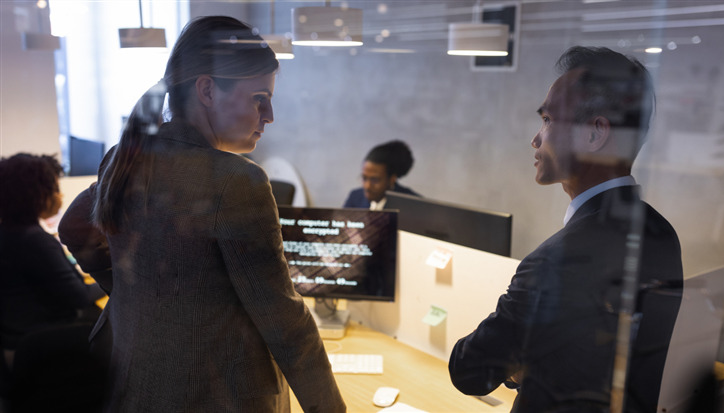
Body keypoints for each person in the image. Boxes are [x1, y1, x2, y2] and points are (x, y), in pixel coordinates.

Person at [59, 16, 345, 412]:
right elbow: (283, 319)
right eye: (259, 98)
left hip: (133, 390)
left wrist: (132, 293)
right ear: (207, 90)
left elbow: (74, 229)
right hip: (218, 398)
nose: (270, 115)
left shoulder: (125, 158)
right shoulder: (236, 181)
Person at [448, 46, 683, 413]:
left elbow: (469, 371)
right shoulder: (661, 233)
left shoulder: (554, 261)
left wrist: (522, 364)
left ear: (594, 133)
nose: (536, 139)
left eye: (547, 119)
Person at [0, 153, 105, 366]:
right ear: (37, 195)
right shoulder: (34, 240)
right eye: (55, 189)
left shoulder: (10, 232)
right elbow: (80, 297)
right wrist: (117, 277)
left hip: (16, 338)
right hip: (36, 345)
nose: (60, 196)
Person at [343, 140, 420, 210]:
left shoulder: (414, 205)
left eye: (374, 180)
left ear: (392, 179)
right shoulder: (355, 197)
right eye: (364, 178)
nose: (367, 186)